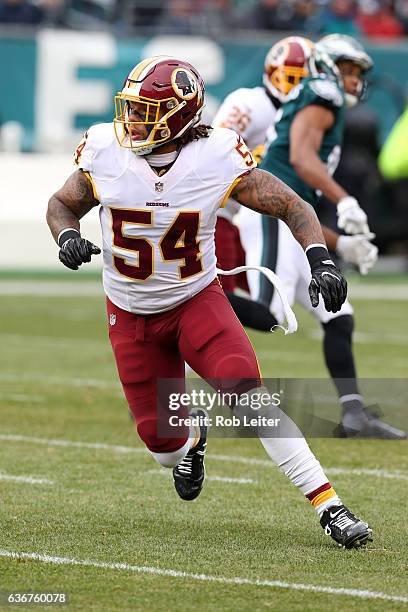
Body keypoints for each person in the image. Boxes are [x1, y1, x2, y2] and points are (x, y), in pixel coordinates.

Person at [47, 55, 372, 549]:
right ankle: (193, 438)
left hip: (196, 299)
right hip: (130, 314)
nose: (131, 120)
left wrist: (321, 259)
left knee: (248, 393)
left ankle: (329, 506)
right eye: (130, 108)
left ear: (179, 117)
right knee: (161, 445)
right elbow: (62, 204)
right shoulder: (103, 148)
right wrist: (65, 234)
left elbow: (292, 205)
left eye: (145, 111)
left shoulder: (215, 155)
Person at [213, 35, 402, 439]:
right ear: (329, 67)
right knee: (272, 315)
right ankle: (188, 296)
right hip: (267, 212)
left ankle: (354, 415)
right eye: (348, 70)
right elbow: (300, 161)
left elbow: (303, 204)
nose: (354, 80)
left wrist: (340, 243)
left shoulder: (313, 99)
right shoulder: (322, 91)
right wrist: (346, 198)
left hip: (287, 213)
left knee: (338, 313)